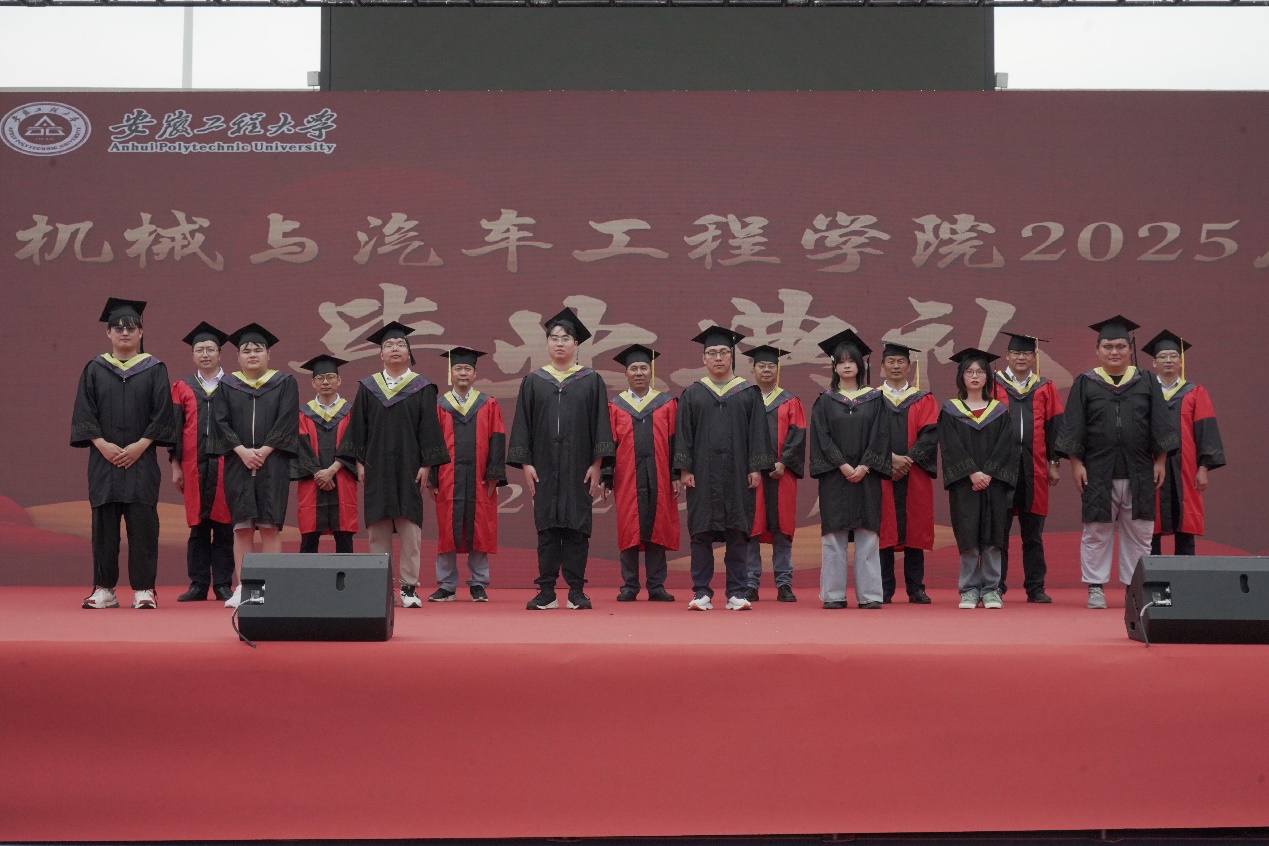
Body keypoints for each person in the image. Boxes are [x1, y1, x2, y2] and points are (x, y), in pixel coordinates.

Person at [1055, 316, 1178, 609]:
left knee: (1140, 532)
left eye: (1120, 346)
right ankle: (1095, 586)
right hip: (1097, 469)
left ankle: (1134, 588)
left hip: (1140, 468)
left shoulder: (1146, 380)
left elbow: (1160, 422)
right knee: (1097, 530)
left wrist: (1160, 461)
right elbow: (1074, 425)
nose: (1114, 352)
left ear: (1130, 349)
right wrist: (1075, 463)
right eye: (1108, 346)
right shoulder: (1086, 382)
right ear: (1097, 350)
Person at [72, 298, 178, 610]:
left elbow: (163, 413)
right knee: (103, 527)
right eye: (117, 328)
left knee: (143, 526)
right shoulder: (95, 369)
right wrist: (102, 444)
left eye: (131, 328)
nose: (124, 333)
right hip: (103, 461)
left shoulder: (154, 369)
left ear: (141, 332)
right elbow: (84, 412)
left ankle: (144, 590)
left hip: (141, 461)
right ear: (108, 333)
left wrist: (140, 445)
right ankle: (104, 589)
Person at [337, 321, 450, 609]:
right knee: (378, 528)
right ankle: (382, 588)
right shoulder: (368, 387)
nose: (395, 348)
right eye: (389, 345)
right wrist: (359, 462)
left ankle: (409, 587)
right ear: (381, 354)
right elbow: (358, 428)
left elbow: (429, 429)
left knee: (410, 528)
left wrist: (427, 466)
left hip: (410, 466)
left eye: (400, 344)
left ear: (409, 352)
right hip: (375, 464)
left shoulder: (422, 387)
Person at [507, 308, 614, 611]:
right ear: (547, 343)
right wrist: (526, 463)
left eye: (565, 338)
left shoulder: (591, 381)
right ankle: (547, 591)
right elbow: (523, 424)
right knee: (547, 527)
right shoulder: (534, 381)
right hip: (543, 465)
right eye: (554, 338)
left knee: (577, 527)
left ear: (576, 344)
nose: (559, 343)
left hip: (580, 465)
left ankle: (577, 591)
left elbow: (601, 423)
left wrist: (597, 464)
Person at [674, 326, 770, 611]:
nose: (718, 357)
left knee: (737, 532)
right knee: (700, 533)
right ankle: (701, 592)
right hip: (702, 474)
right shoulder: (693, 393)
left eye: (724, 352)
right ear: (703, 358)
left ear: (732, 356)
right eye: (712, 353)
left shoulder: (748, 393)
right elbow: (683, 434)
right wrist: (684, 469)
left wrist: (756, 467)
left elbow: (758, 432)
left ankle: (737, 592)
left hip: (738, 473)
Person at [211, 323, 300, 609]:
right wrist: (241, 451)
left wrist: (264, 450)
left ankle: (269, 586)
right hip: (238, 463)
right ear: (237, 357)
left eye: (258, 350)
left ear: (268, 355)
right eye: (246, 350)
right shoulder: (227, 385)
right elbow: (220, 422)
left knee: (270, 525)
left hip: (273, 463)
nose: (252, 354)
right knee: (242, 527)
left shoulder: (284, 382)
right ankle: (244, 587)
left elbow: (287, 419)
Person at [808, 329, 891, 610]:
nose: (846, 365)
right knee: (834, 536)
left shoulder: (875, 399)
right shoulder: (825, 400)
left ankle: (870, 595)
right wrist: (843, 465)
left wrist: (865, 465)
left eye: (851, 360)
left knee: (868, 535)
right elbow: (822, 437)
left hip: (867, 476)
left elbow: (881, 435)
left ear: (860, 365)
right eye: (841, 361)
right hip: (835, 477)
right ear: (834, 366)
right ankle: (833, 595)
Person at [938, 348, 1019, 610]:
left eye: (980, 372)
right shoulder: (951, 410)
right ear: (961, 376)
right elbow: (950, 446)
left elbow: (1007, 446)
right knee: (968, 536)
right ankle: (969, 590)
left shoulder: (999, 411)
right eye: (969, 372)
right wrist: (973, 473)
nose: (975, 376)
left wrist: (989, 473)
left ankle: (992, 589)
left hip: (994, 483)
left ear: (987, 377)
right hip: (966, 483)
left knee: (993, 537)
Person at [425, 347, 507, 603]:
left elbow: (497, 439)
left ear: (475, 374)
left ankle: (478, 584)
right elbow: (431, 443)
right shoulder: (439, 406)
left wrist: (494, 474)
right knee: (447, 530)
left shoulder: (488, 404)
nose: (463, 372)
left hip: (480, 477)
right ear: (451, 373)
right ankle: (447, 585)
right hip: (447, 477)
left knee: (480, 528)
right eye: (458, 368)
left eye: (467, 369)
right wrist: (432, 478)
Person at [605, 344, 679, 602]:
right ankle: (630, 585)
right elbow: (608, 444)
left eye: (643, 368)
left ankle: (656, 585)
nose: (639, 373)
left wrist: (676, 474)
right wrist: (606, 476)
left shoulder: (666, 403)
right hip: (627, 476)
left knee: (658, 526)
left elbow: (675, 441)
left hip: (660, 474)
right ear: (625, 373)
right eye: (633, 368)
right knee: (629, 526)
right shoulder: (615, 406)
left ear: (651, 371)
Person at [994, 332, 1064, 604]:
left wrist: (1054, 462)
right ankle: (996, 585)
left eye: (1026, 354)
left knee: (1033, 534)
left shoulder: (1045, 387)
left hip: (1034, 469)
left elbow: (1054, 427)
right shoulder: (994, 385)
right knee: (999, 533)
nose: (1021, 357)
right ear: (1007, 356)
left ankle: (1035, 587)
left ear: (1034, 358)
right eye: (1016, 353)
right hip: (1002, 469)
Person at [1141, 330, 1225, 556]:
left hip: (1186, 467)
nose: (1168, 360)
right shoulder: (1144, 393)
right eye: (1163, 356)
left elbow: (1206, 431)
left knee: (1186, 524)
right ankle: (1153, 574)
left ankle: (1186, 574)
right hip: (1151, 465)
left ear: (1181, 361)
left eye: (1173, 356)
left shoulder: (1195, 392)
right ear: (1154, 363)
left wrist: (1203, 468)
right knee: (1151, 526)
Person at [169, 321, 235, 602]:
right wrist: (175, 466)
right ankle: (198, 584)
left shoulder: (233, 384)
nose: (205, 354)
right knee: (197, 526)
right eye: (200, 350)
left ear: (220, 353)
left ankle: (222, 584)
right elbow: (175, 428)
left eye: (210, 349)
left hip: (226, 463)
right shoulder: (182, 387)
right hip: (192, 464)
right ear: (192, 355)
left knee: (224, 526)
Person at [742, 344, 805, 603]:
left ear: (777, 370)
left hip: (783, 474)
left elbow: (798, 433)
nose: (766, 370)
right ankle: (750, 584)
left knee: (782, 530)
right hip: (752, 475)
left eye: (771, 366)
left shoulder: (790, 401)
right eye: (762, 366)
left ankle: (784, 584)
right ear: (753, 370)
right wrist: (751, 465)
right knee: (751, 530)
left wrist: (784, 462)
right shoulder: (744, 399)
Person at [876, 341, 937, 605]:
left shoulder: (923, 399)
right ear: (882, 366)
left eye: (901, 361)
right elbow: (867, 435)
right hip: (882, 472)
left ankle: (916, 588)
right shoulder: (872, 399)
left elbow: (930, 434)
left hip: (915, 473)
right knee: (884, 529)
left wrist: (908, 460)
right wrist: (888, 459)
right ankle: (883, 588)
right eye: (891, 361)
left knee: (915, 529)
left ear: (909, 366)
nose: (896, 366)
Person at [293, 354, 358, 555]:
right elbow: (300, 446)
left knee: (344, 536)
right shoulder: (303, 414)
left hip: (342, 479)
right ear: (313, 383)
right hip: (312, 482)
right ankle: (307, 576)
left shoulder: (351, 412)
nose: (326, 382)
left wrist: (332, 470)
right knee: (309, 538)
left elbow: (354, 443)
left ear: (339, 380)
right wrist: (318, 473)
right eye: (320, 378)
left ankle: (345, 576)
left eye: (330, 377)